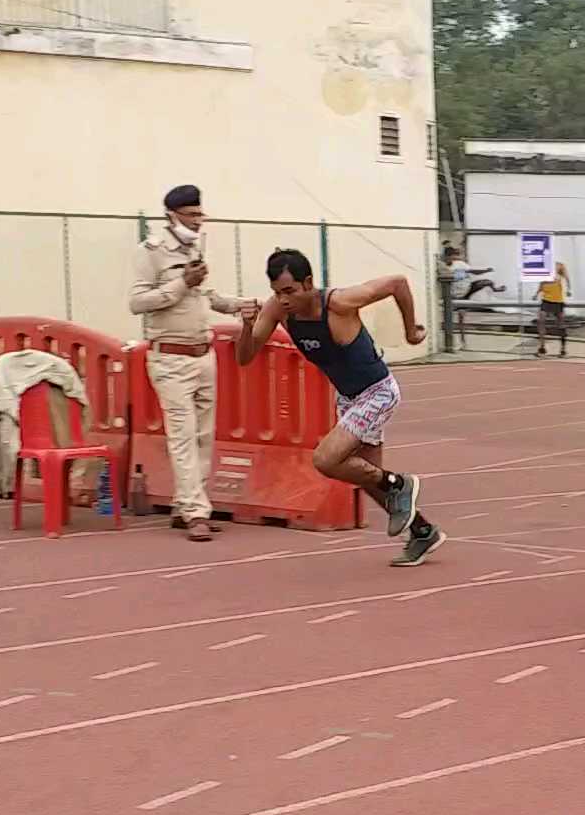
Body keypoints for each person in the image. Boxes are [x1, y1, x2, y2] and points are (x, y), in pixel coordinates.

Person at [237, 249, 444, 566]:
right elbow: (245, 357)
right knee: (367, 479)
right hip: (348, 398)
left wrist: (411, 331)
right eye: (277, 293)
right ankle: (422, 532)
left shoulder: (339, 302)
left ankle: (400, 484)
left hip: (377, 392)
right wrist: (246, 327)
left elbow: (397, 283)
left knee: (326, 459)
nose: (284, 299)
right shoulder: (278, 310)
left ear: (308, 283)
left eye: (290, 291)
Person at [127, 184, 259, 543]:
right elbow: (138, 302)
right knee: (182, 435)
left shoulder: (194, 247)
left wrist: (237, 305)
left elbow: (205, 296)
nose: (198, 221)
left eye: (200, 214)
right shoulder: (150, 252)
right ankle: (196, 511)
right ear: (173, 215)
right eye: (191, 215)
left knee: (203, 437)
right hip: (169, 356)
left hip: (203, 353)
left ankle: (186, 505)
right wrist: (181, 283)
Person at [535, 261, 572, 357]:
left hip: (557, 300)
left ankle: (563, 349)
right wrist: (536, 293)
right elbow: (542, 282)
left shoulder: (559, 266)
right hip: (546, 299)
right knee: (541, 320)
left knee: (560, 324)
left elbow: (567, 278)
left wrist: (569, 289)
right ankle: (542, 347)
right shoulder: (543, 267)